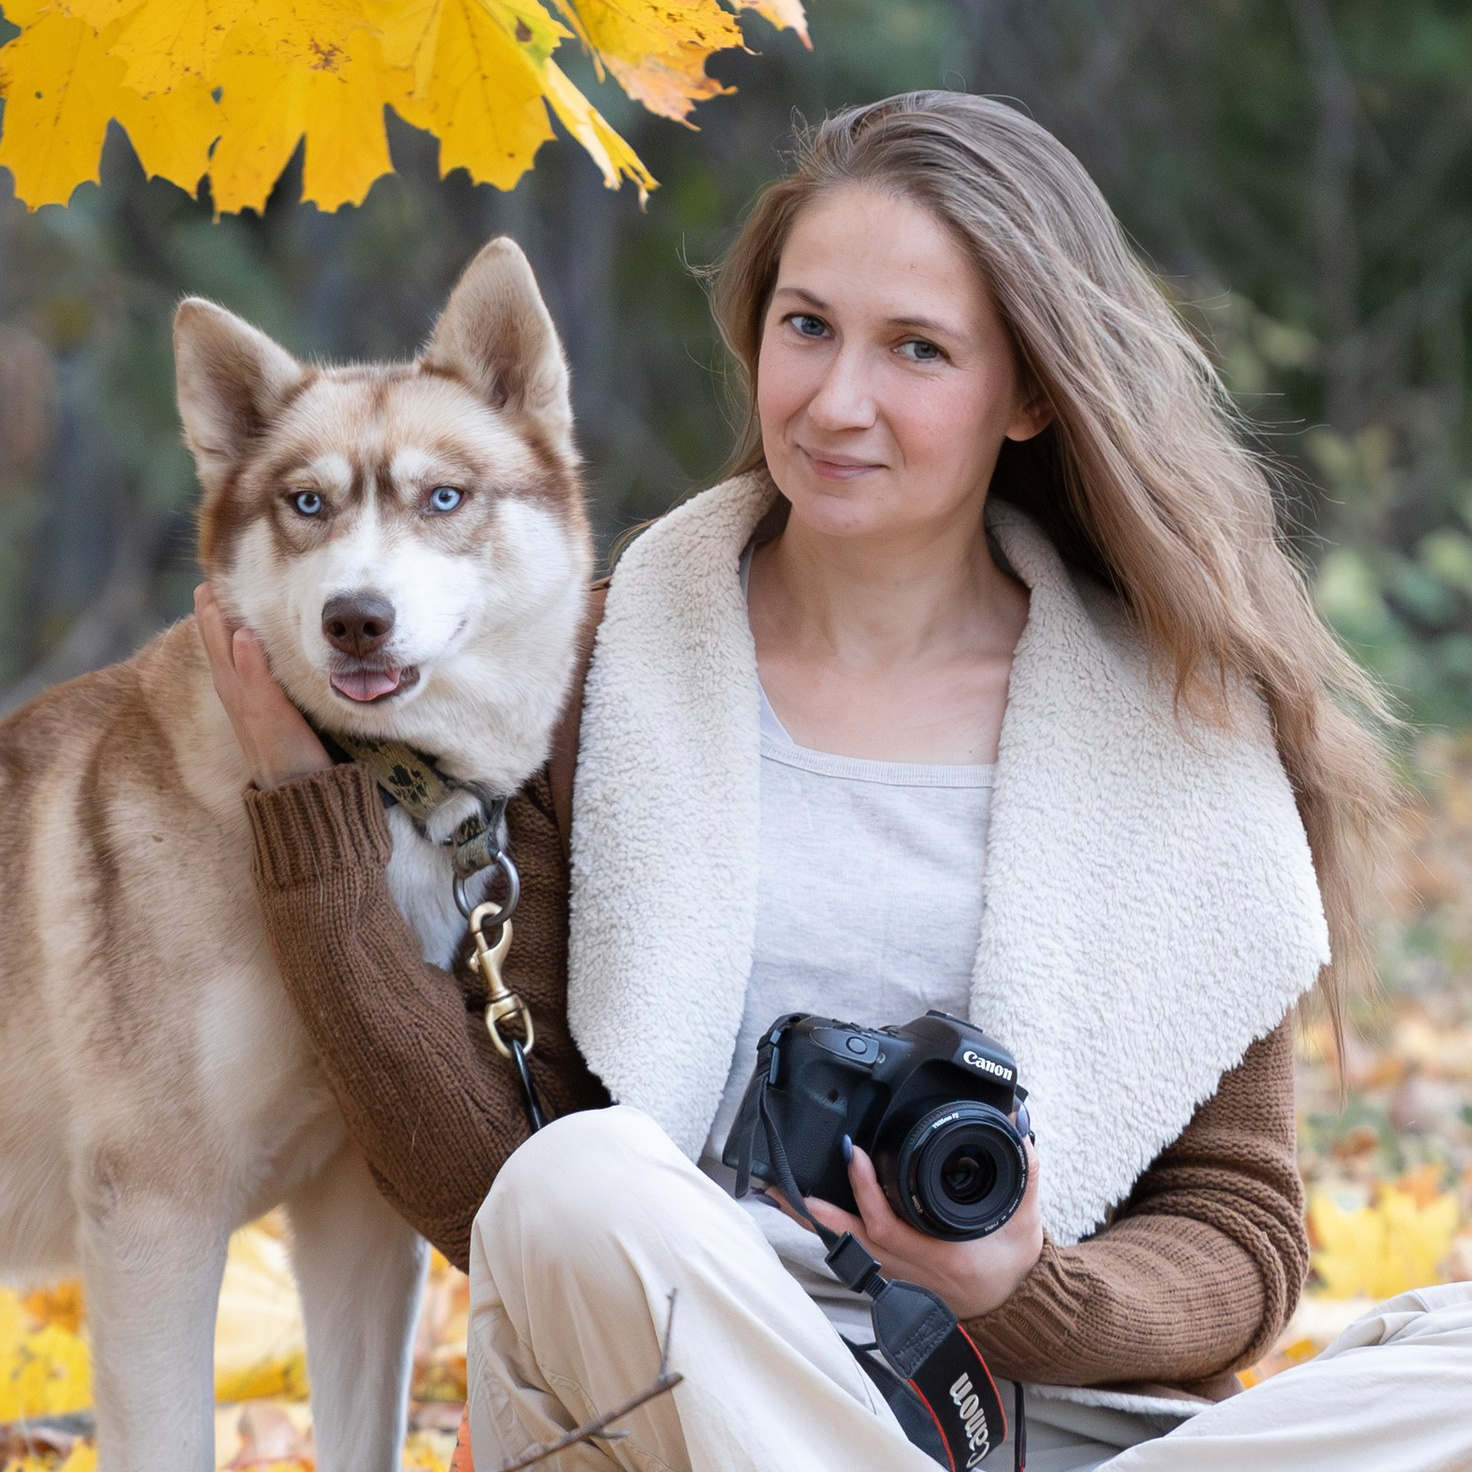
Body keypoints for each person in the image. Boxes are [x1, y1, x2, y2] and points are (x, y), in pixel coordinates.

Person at [197, 93, 1472, 1472]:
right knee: (578, 1178)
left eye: (916, 349)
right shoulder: (596, 673)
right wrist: (302, 808)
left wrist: (1023, 1283)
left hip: (1063, 1424)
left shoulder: (1178, 726)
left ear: (1033, 392)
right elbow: (492, 1196)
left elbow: (1241, 1238)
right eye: (807, 327)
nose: (836, 400)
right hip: (685, 1392)